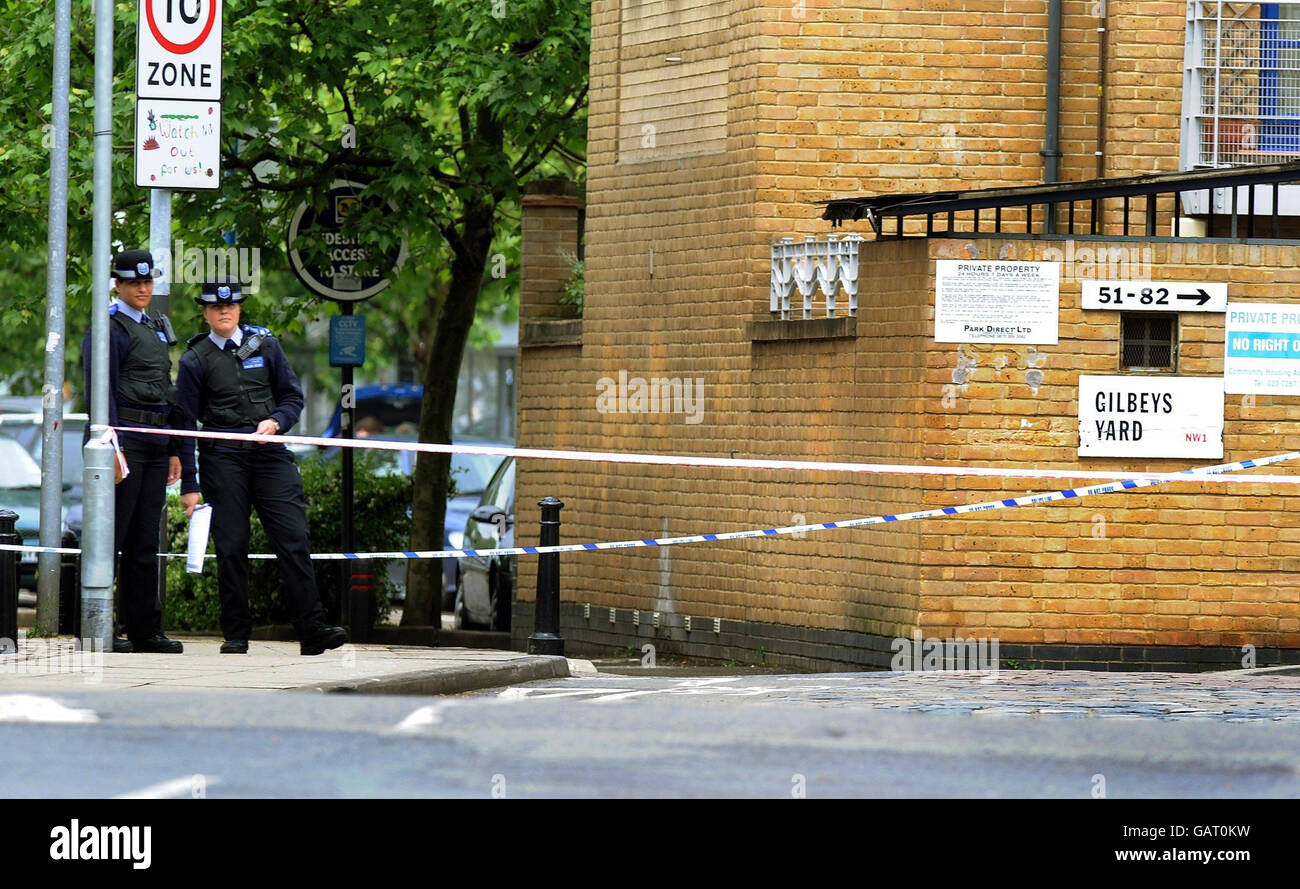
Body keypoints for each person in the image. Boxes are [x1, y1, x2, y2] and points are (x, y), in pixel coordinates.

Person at [176, 278, 347, 656]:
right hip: (222, 457)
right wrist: (191, 482)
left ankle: (312, 628)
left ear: (239, 309)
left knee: (293, 537)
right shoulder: (194, 359)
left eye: (232, 306)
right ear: (205, 312)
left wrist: (276, 422)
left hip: (269, 454)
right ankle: (236, 633)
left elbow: (291, 397)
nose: (225, 312)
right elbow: (185, 423)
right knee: (232, 544)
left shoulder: (266, 344)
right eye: (217, 307)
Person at [81, 249, 186, 654]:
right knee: (112, 536)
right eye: (134, 282)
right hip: (124, 442)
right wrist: (109, 446)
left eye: (148, 282)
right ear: (119, 284)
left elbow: (166, 391)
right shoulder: (109, 326)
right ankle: (96, 628)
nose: (143, 288)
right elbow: (99, 389)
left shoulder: (156, 326)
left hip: (157, 442)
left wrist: (175, 447)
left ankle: (144, 629)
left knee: (144, 542)